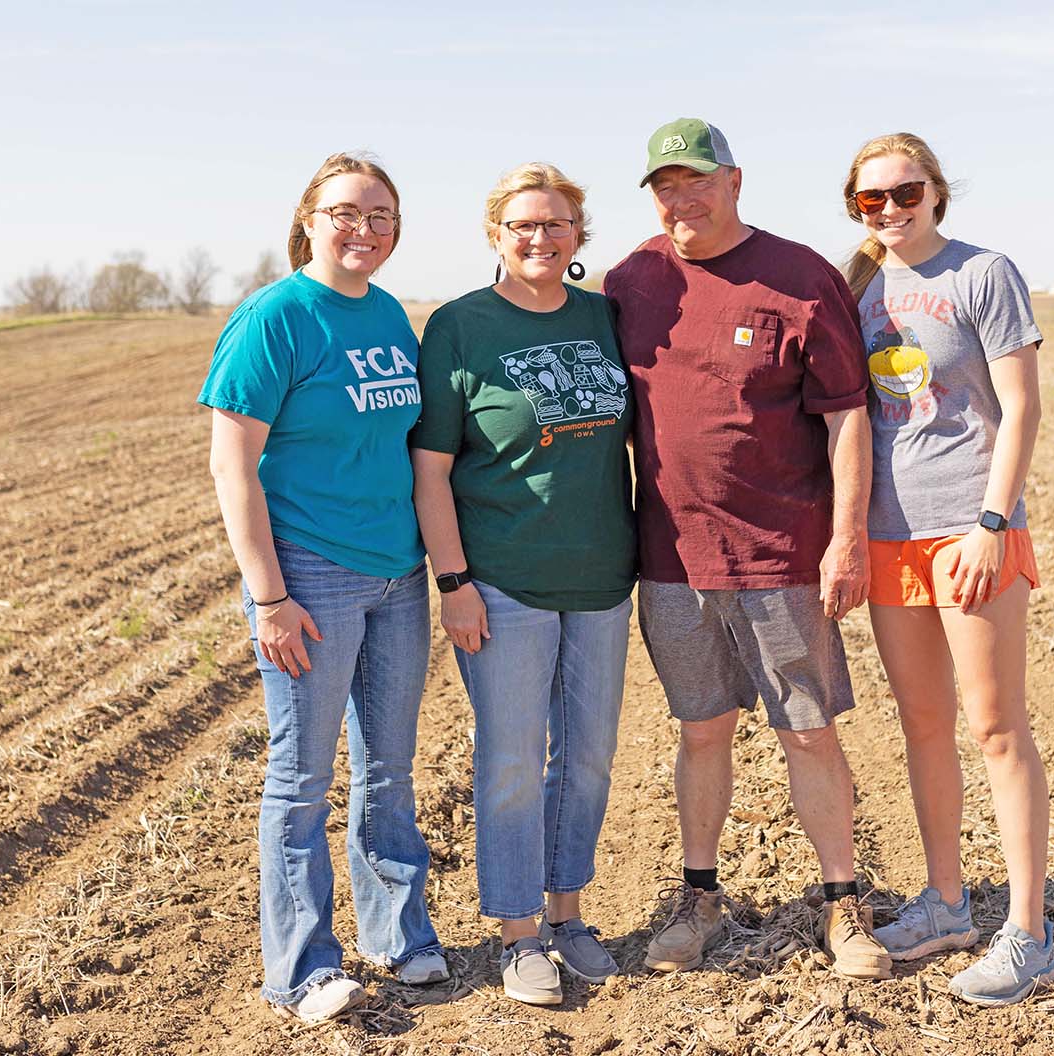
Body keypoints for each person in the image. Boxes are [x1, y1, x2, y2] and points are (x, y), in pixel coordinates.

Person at [604, 118, 891, 980]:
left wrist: (846, 540)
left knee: (807, 733)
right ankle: (699, 901)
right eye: (665, 185)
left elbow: (848, 416)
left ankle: (844, 908)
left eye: (697, 180)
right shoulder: (630, 281)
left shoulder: (800, 277)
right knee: (701, 732)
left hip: (781, 556)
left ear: (735, 181)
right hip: (671, 559)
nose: (681, 198)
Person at [199, 152, 447, 1025]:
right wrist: (269, 596)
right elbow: (233, 464)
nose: (365, 229)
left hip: (396, 572)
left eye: (382, 216)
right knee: (301, 778)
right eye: (347, 212)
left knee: (390, 770)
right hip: (311, 575)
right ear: (309, 218)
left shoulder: (385, 313)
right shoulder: (275, 318)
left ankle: (398, 935)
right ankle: (301, 969)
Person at [840, 132, 1054, 1006]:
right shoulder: (854, 284)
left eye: (906, 192)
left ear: (936, 193)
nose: (890, 210)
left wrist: (990, 523)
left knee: (996, 728)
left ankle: (1029, 933)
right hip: (889, 538)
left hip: (971, 532)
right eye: (871, 200)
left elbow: (1022, 407)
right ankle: (945, 903)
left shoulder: (983, 273)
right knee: (922, 724)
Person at [410, 163, 636, 1007]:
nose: (540, 239)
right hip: (502, 580)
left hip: (603, 578)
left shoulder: (603, 317)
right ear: (494, 235)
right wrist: (454, 579)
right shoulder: (460, 327)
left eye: (557, 224)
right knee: (510, 763)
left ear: (580, 235)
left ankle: (568, 915)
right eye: (523, 226)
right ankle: (517, 935)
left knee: (587, 758)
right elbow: (430, 469)